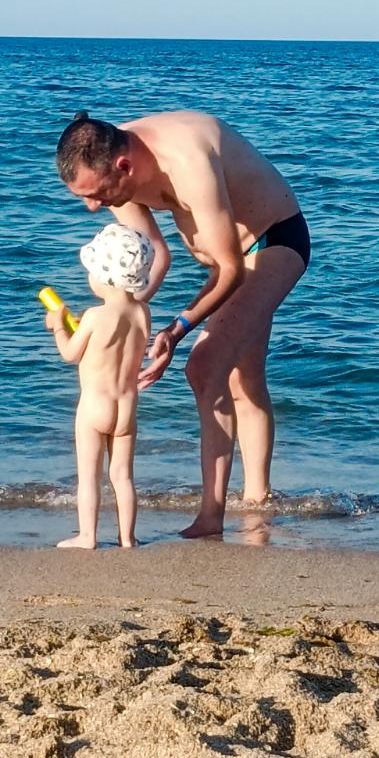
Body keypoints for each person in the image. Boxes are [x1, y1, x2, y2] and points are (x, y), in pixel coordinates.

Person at [55, 110, 310, 538]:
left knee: (204, 366)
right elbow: (157, 255)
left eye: (96, 195)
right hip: (227, 263)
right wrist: (121, 317)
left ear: (123, 166)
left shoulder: (187, 161)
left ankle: (212, 517)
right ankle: (257, 506)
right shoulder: (118, 169)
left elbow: (230, 269)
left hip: (273, 241)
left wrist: (176, 330)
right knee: (243, 378)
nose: (92, 207)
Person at [45, 223, 153, 549]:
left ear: (105, 276)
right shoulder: (143, 313)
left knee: (89, 477)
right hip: (126, 407)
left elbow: (70, 354)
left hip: (95, 406)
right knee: (123, 477)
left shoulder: (94, 316)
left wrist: (58, 326)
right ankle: (127, 538)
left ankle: (87, 536)